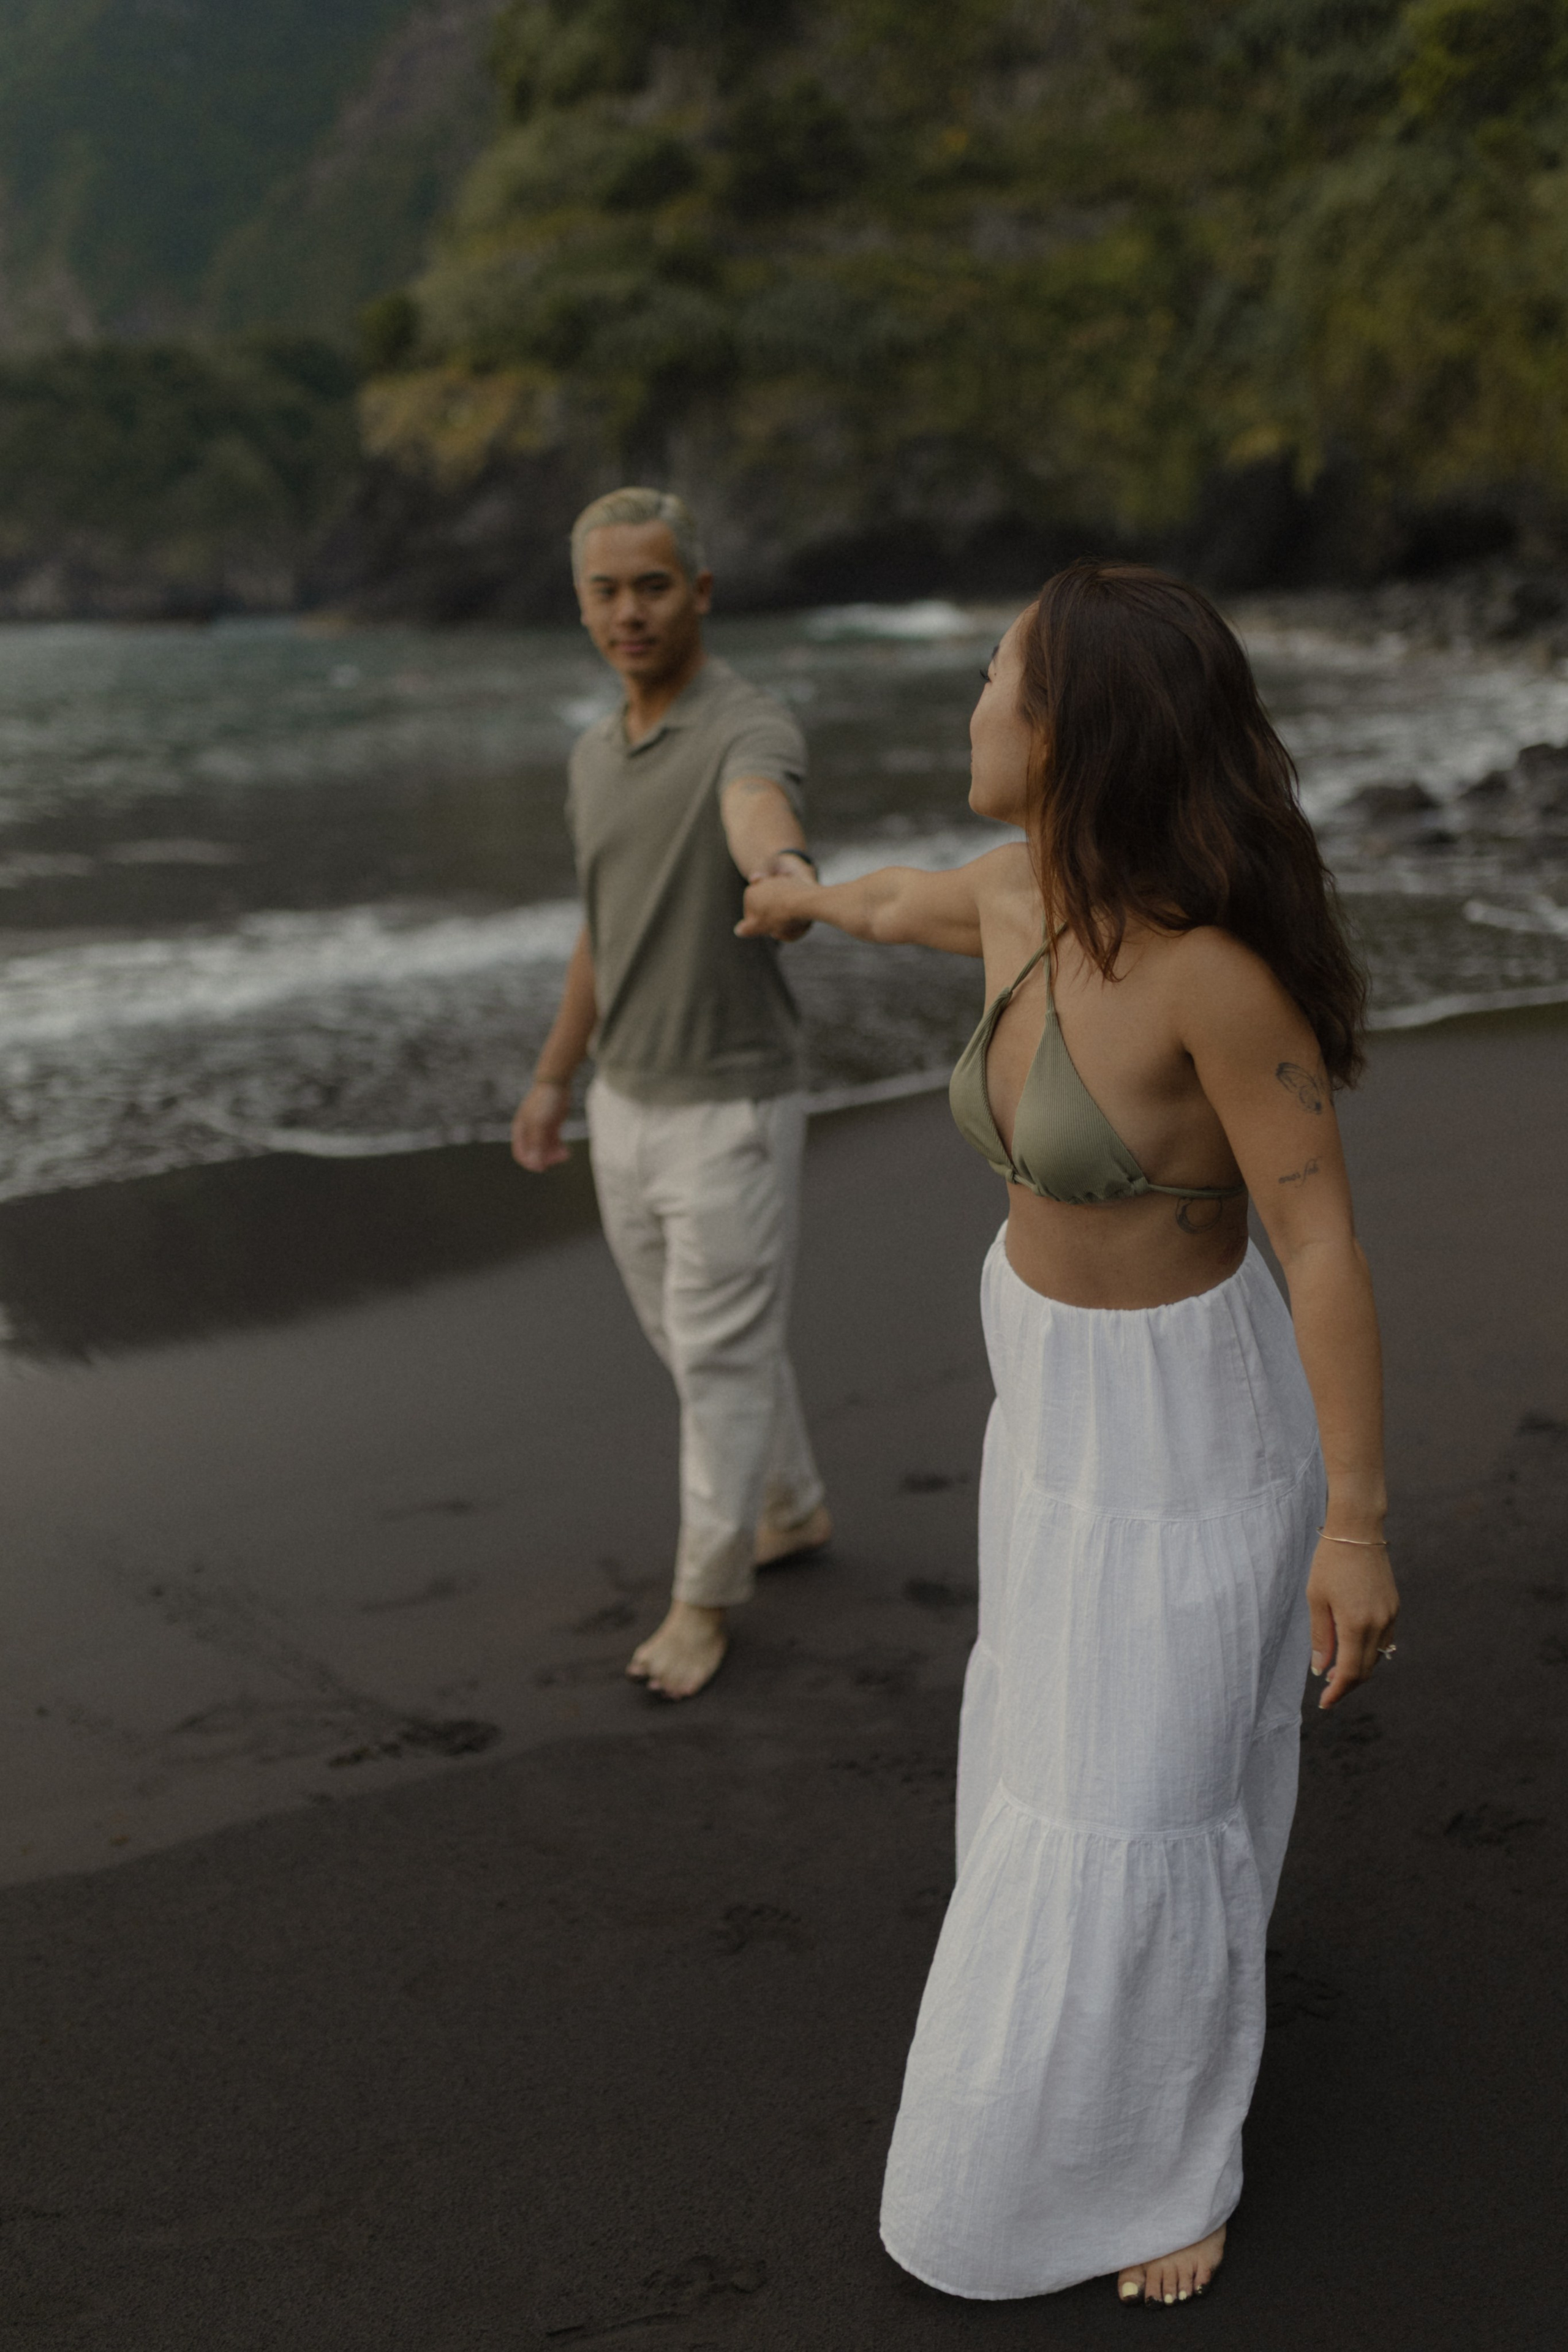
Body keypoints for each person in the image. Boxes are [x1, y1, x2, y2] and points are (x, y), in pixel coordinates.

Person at [737, 561, 1400, 2307]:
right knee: (1052, 1741)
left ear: (1069, 729)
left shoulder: (1210, 982)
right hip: (1046, 1398)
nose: (968, 704)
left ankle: (1164, 2158)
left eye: (993, 677)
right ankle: (1091, 2077)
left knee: (1147, 1796)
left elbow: (1321, 1247)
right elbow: (897, 900)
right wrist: (801, 897)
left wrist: (1355, 1524)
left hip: (1190, 1431)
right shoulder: (1010, 892)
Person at [512, 487, 830, 1700]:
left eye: (652, 586)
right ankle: (788, 1504)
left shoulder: (746, 725)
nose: (628, 612)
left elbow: (760, 808)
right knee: (696, 1345)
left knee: (718, 1360)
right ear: (581, 602)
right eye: (605, 590)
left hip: (730, 1107)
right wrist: (554, 1075)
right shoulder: (594, 755)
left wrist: (783, 872)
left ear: (698, 591)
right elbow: (606, 929)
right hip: (623, 1102)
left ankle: (704, 1602)